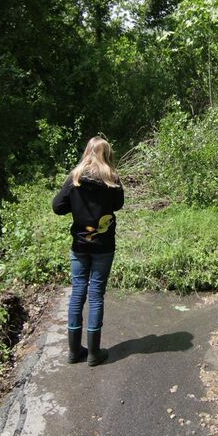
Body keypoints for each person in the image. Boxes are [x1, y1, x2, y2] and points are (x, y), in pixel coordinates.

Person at [52, 136, 124, 366]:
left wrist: (77, 204)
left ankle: (74, 352)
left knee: (78, 293)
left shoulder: (75, 178)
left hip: (80, 245)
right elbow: (118, 205)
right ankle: (94, 353)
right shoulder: (112, 178)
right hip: (103, 246)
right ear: (106, 154)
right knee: (96, 295)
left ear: (87, 152)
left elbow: (57, 207)